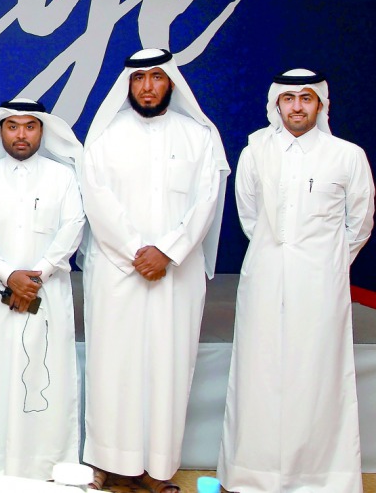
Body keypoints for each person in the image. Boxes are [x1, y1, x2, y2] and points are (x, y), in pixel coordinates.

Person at [80, 48, 230, 492]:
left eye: (157, 77)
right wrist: (134, 249)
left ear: (171, 83)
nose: (147, 87)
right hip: (115, 269)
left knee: (168, 366)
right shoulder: (105, 136)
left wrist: (167, 251)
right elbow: (96, 197)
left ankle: (156, 469)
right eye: (139, 78)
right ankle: (110, 463)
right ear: (128, 85)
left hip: (176, 274)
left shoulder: (198, 137)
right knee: (114, 365)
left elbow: (207, 200)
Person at [217, 69, 373, 493]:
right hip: (266, 275)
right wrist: (281, 254)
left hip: (322, 280)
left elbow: (359, 222)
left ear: (320, 104)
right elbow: (250, 217)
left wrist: (326, 259)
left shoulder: (347, 155)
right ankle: (252, 476)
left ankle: (322, 478)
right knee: (259, 369)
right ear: (277, 104)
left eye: (307, 98)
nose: (298, 107)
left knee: (319, 371)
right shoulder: (256, 151)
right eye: (289, 99)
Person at [0, 99, 85, 480]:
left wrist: (37, 276)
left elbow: (73, 226)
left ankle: (43, 466)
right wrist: (6, 273)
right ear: (1, 131)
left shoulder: (62, 177)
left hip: (46, 294)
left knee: (44, 377)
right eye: (13, 126)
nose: (21, 134)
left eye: (30, 126)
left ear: (41, 131)